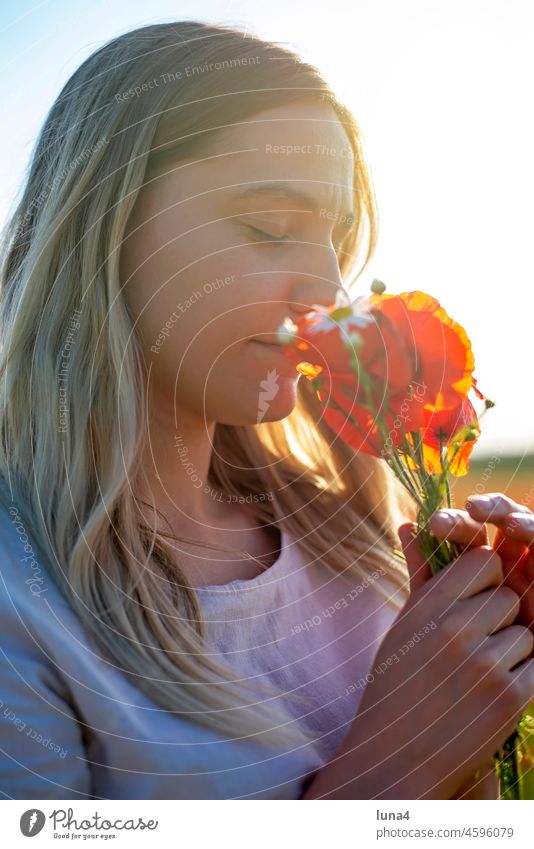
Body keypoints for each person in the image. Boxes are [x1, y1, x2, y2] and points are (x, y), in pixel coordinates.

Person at [0, 20, 532, 801]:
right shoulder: (23, 608)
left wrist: (491, 663)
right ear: (103, 229)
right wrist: (396, 766)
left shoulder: (353, 545)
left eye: (337, 243)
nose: (330, 290)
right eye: (269, 228)